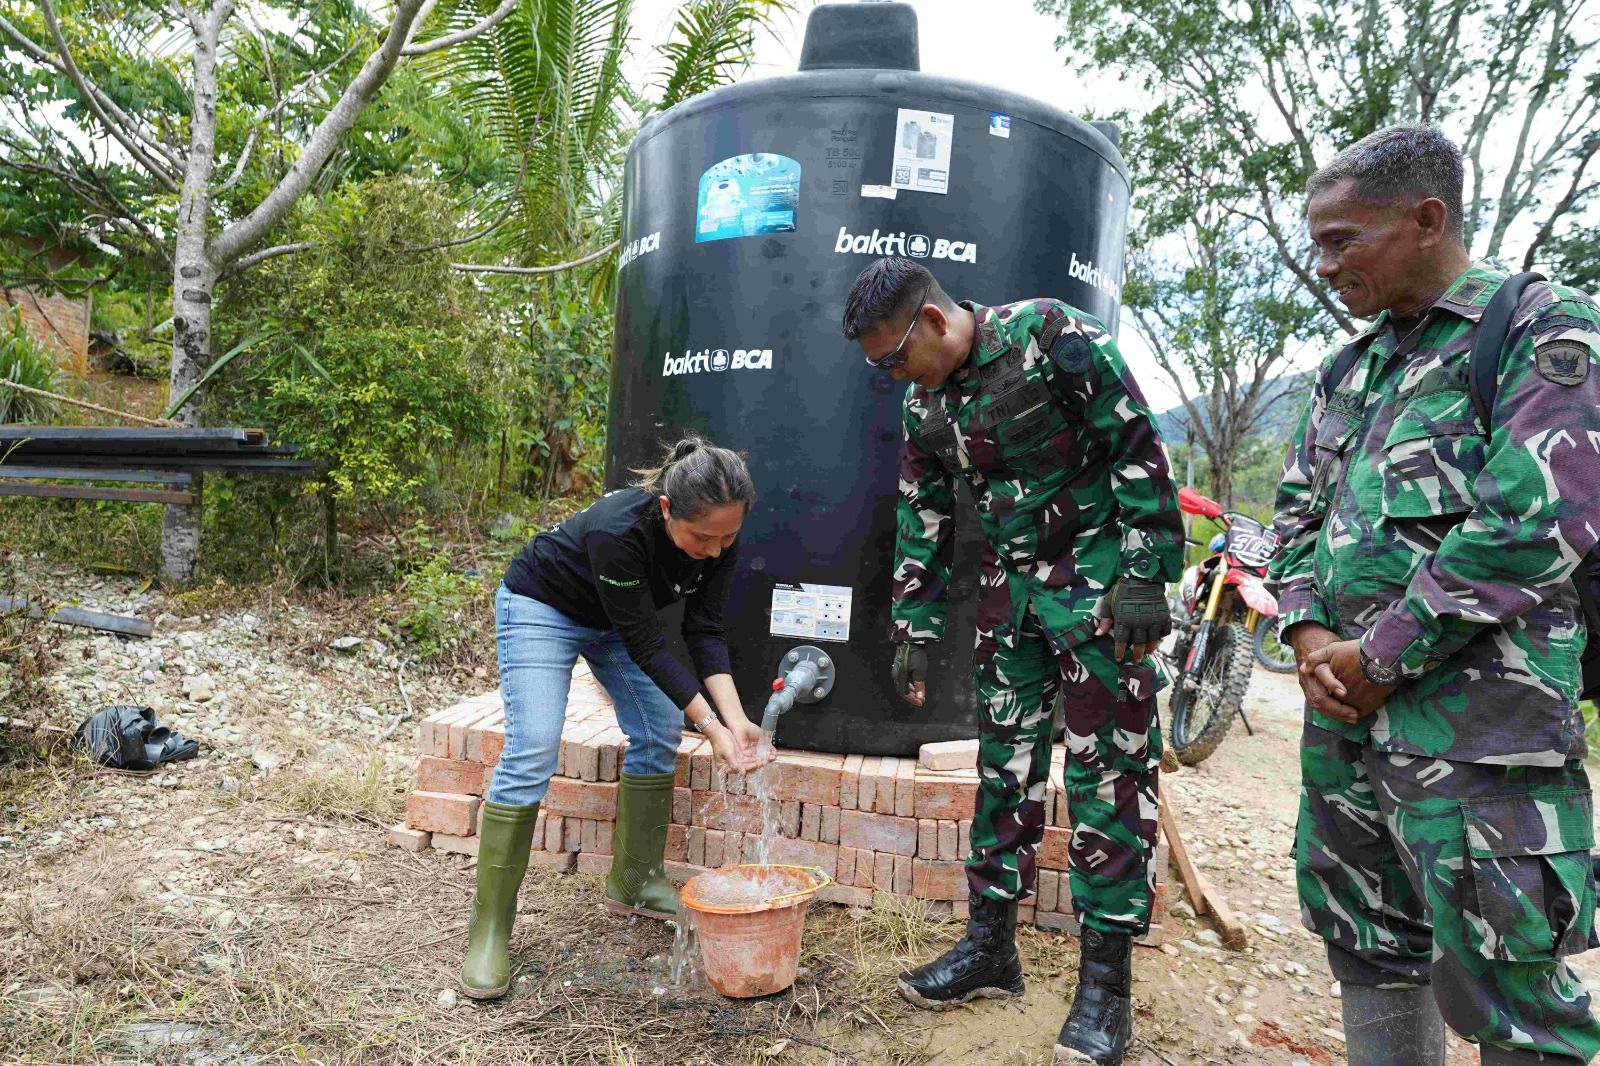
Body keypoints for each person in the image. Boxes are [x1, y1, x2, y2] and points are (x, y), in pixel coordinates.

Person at [1269, 125, 1600, 1066]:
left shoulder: (1541, 327)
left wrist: (1378, 659)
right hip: (1345, 726)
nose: (1323, 264)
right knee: (1368, 945)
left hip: (1480, 732)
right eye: (1317, 242)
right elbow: (1295, 515)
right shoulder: (1351, 366)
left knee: (1509, 976)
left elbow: (1536, 518)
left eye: (1342, 240)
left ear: (1426, 220)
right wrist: (1305, 635)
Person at [842, 257, 1184, 1066]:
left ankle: (1106, 991)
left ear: (931, 321)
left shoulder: (1050, 334)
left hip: (1101, 595)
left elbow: (1136, 444)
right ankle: (990, 947)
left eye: (891, 358)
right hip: (1011, 600)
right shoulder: (927, 401)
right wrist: (914, 626)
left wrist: (1144, 574)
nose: (890, 376)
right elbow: (921, 508)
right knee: (1004, 768)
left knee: (1109, 776)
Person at [457, 437, 772, 1001]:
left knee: (656, 730)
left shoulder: (718, 536)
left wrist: (737, 719)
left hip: (617, 623)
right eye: (704, 538)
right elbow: (650, 644)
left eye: (728, 536)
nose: (717, 550)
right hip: (544, 606)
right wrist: (712, 730)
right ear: (668, 509)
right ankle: (489, 933)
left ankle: (635, 881)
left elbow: (703, 630)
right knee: (533, 748)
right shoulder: (617, 529)